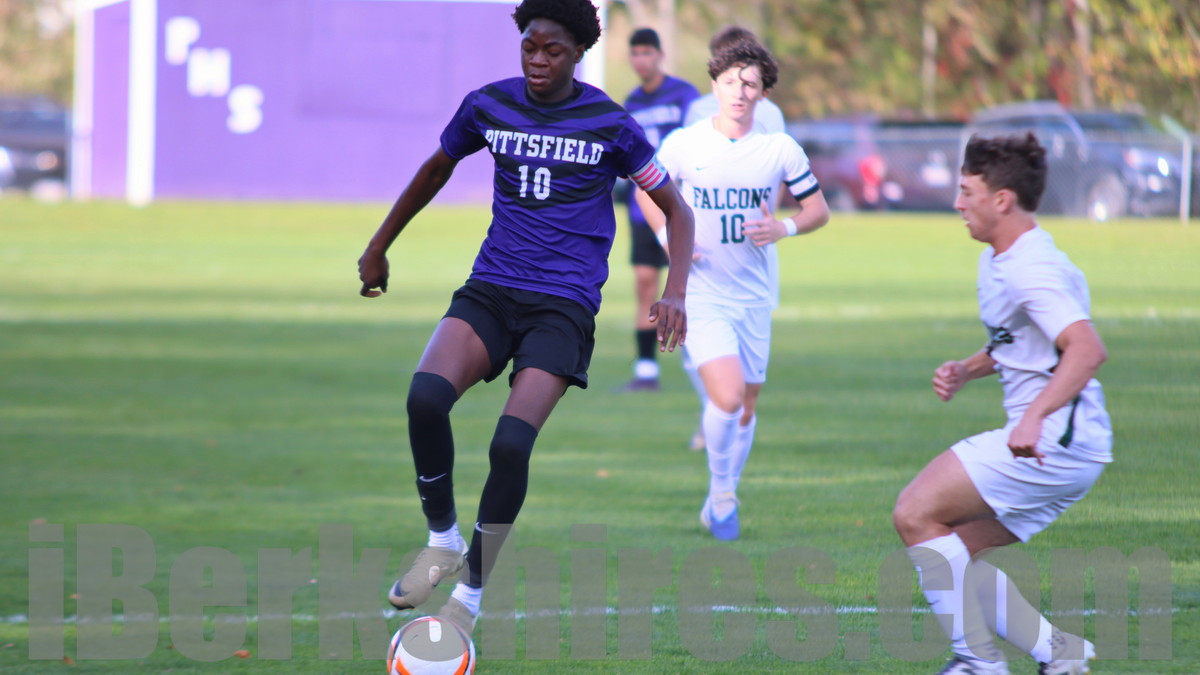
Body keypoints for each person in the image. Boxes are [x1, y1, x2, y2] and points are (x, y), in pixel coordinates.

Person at [357, 0, 694, 636]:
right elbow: (435, 169)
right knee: (424, 398)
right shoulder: (489, 104)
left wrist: (675, 290)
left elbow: (677, 210)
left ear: (579, 53)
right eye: (529, 47)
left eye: (553, 50)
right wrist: (379, 246)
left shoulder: (610, 123)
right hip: (493, 288)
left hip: (563, 306)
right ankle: (442, 540)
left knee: (510, 445)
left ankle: (470, 596)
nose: (538, 60)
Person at [892, 133, 1108, 675]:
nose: (957, 203)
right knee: (954, 553)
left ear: (1002, 199)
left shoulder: (1031, 268)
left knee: (915, 513)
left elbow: (1086, 349)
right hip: (1073, 446)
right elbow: (1020, 342)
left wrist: (1034, 417)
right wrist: (968, 368)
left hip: (1054, 441)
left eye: (967, 192)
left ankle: (978, 663)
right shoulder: (1002, 257)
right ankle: (1058, 653)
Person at [640, 39, 829, 540]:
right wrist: (668, 240)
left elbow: (818, 210)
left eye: (750, 84)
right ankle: (723, 494)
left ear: (764, 92)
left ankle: (720, 496)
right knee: (726, 396)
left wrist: (784, 228)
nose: (739, 92)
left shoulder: (779, 149)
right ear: (714, 86)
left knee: (746, 406)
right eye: (730, 82)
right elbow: (647, 191)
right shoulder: (685, 143)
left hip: (754, 296)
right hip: (701, 292)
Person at [679, 26, 788, 450]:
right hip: (703, 253)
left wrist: (772, 220)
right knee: (700, 348)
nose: (737, 84)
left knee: (746, 371)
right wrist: (678, 234)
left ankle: (727, 429)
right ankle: (713, 412)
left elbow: (781, 171)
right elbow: (680, 176)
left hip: (753, 249)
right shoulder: (696, 112)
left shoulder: (770, 114)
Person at [616, 27, 700, 392]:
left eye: (647, 52)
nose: (641, 60)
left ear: (660, 55)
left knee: (691, 284)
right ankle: (646, 369)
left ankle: (701, 359)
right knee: (645, 283)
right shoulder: (632, 102)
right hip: (642, 209)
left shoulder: (684, 95)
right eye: (635, 53)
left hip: (680, 208)